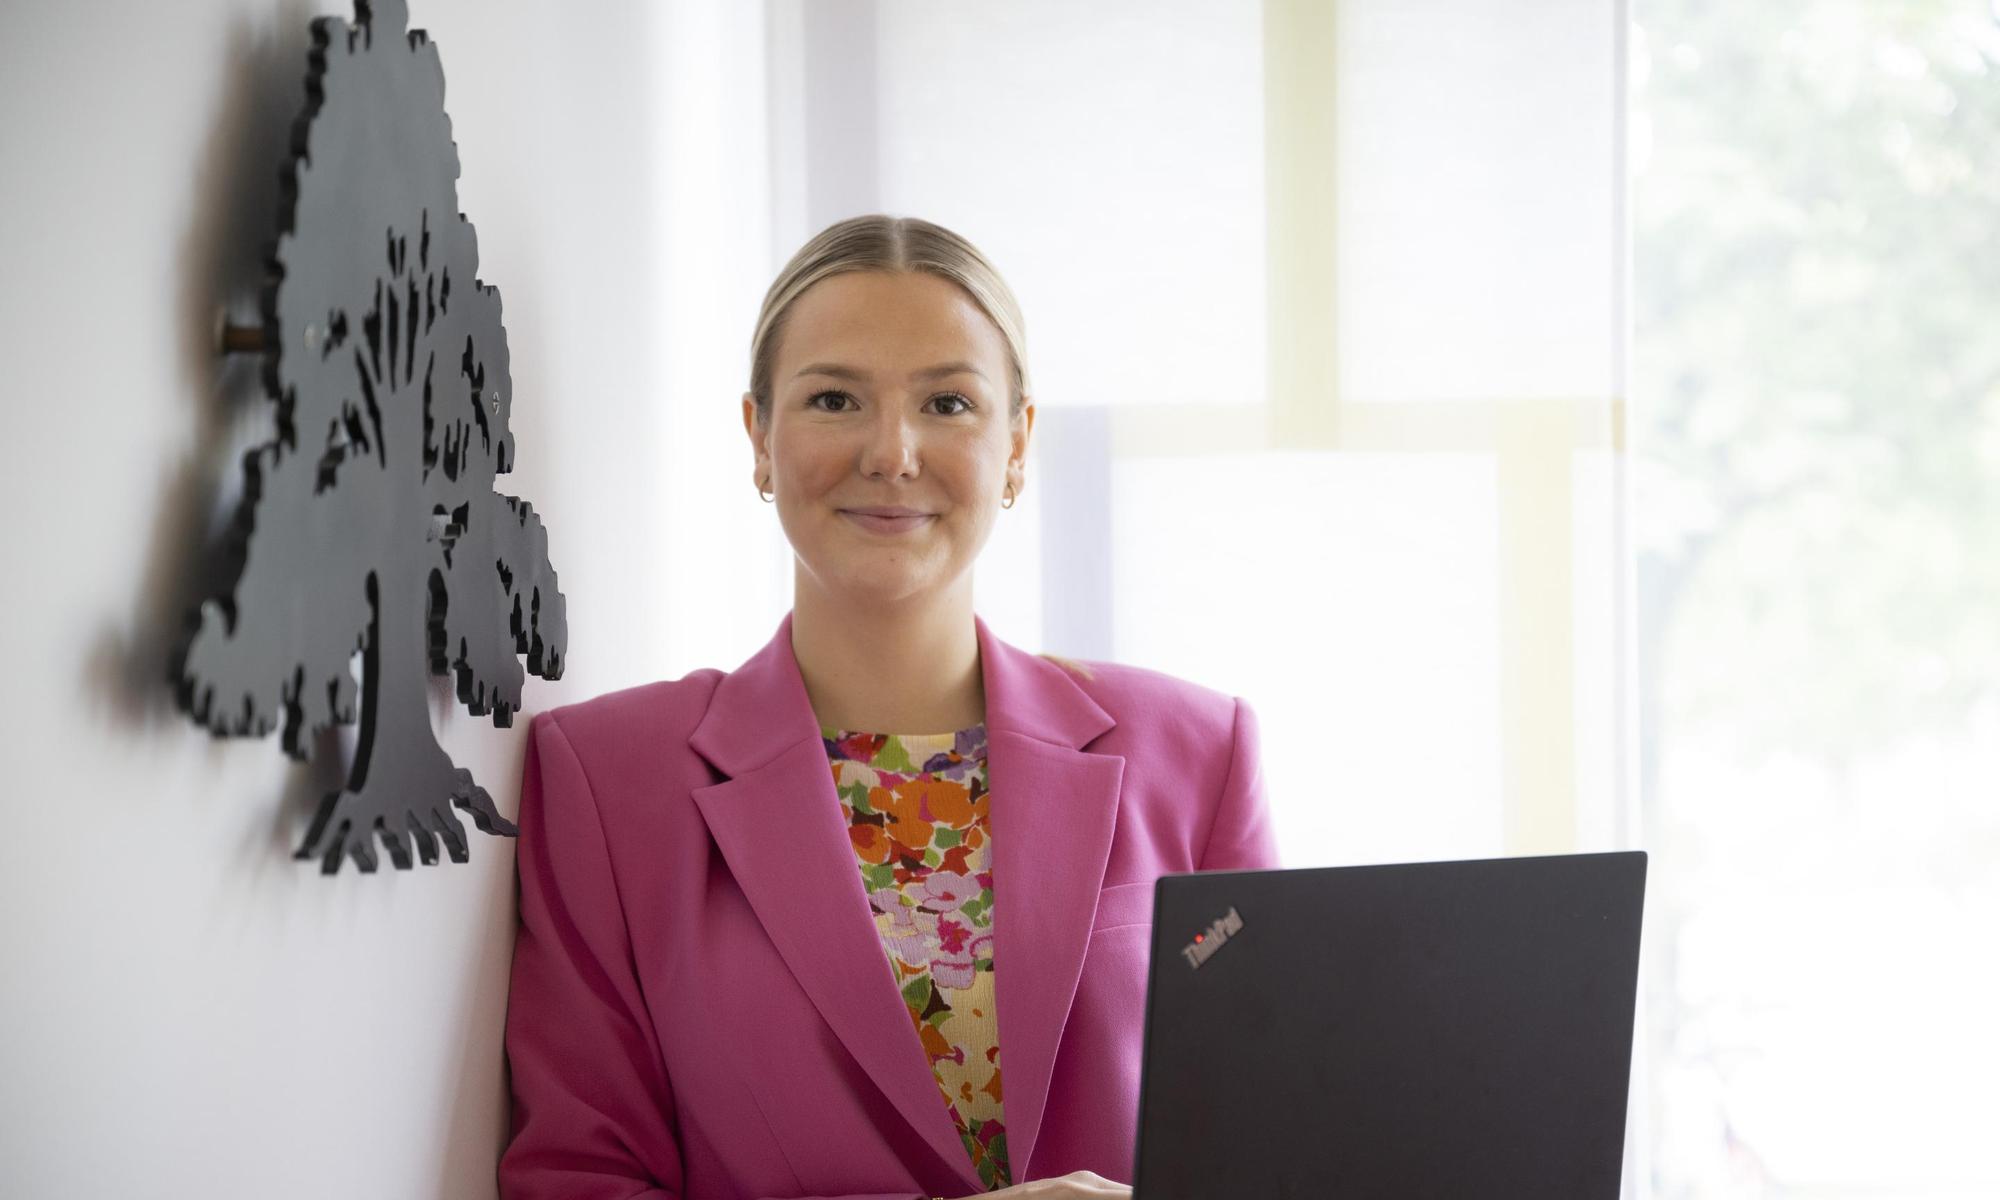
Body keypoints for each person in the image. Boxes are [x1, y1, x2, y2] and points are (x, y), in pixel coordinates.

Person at [496, 214, 1281, 1200]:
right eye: (833, 399)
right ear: (758, 437)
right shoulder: (608, 779)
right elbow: (577, 1183)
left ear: (1016, 445)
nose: (892, 453)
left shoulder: (1197, 754)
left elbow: (1273, 1140)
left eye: (948, 402)